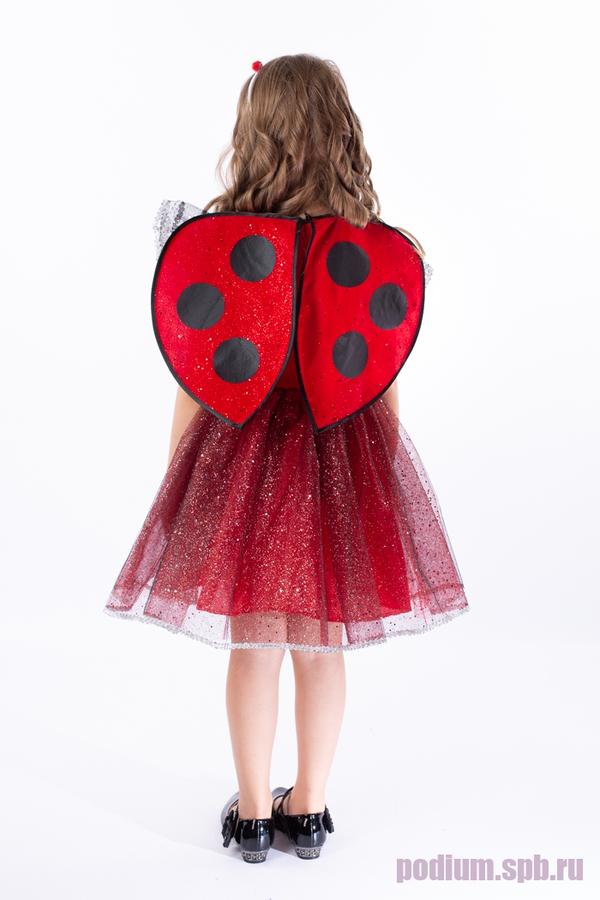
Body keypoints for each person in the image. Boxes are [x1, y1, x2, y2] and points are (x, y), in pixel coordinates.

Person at [104, 53, 469, 864]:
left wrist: (181, 478)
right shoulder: (378, 251)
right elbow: (378, 379)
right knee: (321, 644)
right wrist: (380, 480)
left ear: (253, 137)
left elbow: (199, 375)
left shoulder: (212, 244)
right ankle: (308, 808)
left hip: (241, 463)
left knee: (253, 645)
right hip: (340, 458)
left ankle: (250, 814)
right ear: (343, 135)